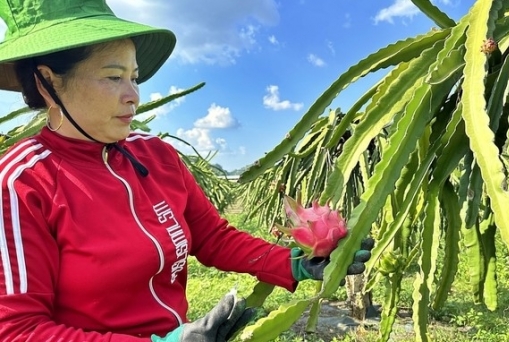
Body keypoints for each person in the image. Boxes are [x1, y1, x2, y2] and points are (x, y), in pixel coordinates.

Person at [0, 0, 373, 341]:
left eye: (135, 77)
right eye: (114, 77)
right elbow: (20, 331)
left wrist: (297, 265)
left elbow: (212, 238)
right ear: (47, 81)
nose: (133, 94)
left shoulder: (156, 155)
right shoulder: (20, 184)